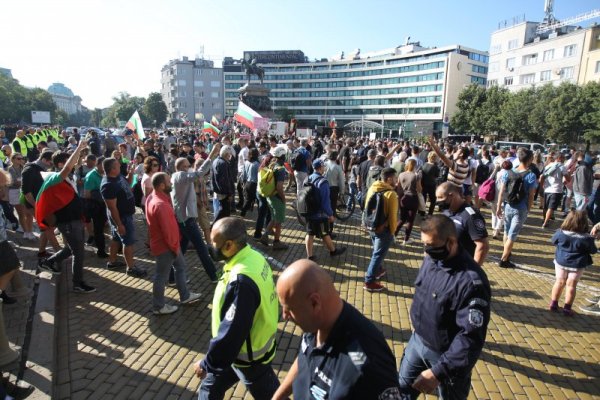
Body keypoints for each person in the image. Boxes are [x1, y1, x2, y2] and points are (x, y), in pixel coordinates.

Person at [273, 259, 401, 400]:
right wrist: (278, 397)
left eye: (289, 309)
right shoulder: (314, 323)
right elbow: (305, 358)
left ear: (315, 303)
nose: (284, 316)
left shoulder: (368, 366)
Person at [398, 215, 491, 399]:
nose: (426, 250)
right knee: (401, 392)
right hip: (417, 343)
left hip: (445, 358)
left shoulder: (471, 283)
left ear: (451, 242)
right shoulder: (431, 260)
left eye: (431, 245)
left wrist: (440, 371)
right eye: (424, 244)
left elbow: (470, 338)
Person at [192, 217, 280, 399]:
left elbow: (232, 332)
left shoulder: (241, 281)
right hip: (236, 354)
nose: (211, 246)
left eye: (214, 242)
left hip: (247, 358)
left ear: (229, 246)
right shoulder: (254, 257)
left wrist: (206, 363)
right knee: (209, 389)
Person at [36, 142, 96, 293]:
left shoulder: (69, 177)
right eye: (71, 160)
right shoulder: (56, 177)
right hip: (68, 222)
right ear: (62, 164)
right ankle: (77, 283)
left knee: (70, 249)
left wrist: (81, 153)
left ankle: (49, 262)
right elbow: (68, 167)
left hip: (75, 220)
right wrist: (78, 148)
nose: (76, 163)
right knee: (78, 253)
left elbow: (72, 166)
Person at [145, 172, 202, 315]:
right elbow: (168, 231)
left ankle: (185, 296)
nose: (171, 183)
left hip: (166, 245)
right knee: (161, 276)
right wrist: (175, 248)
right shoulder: (161, 205)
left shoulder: (152, 197)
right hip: (167, 247)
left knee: (180, 267)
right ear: (162, 185)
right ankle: (158, 306)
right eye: (169, 181)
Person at [171, 150, 219, 283]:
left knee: (181, 248)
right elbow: (198, 174)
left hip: (184, 219)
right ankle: (214, 276)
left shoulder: (180, 176)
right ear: (181, 167)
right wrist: (211, 155)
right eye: (187, 165)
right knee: (202, 248)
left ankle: (171, 277)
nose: (189, 167)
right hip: (186, 220)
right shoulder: (180, 176)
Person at [101, 157, 147, 277]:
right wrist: (119, 224)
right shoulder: (108, 185)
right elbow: (112, 207)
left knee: (116, 238)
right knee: (128, 241)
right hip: (122, 217)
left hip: (124, 216)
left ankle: (112, 261)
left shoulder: (118, 176)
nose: (120, 166)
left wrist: (130, 173)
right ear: (112, 169)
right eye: (118, 165)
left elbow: (126, 181)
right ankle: (131, 268)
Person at [495, 148, 538, 269]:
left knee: (507, 232)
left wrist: (499, 207)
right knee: (512, 235)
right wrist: (528, 209)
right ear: (530, 159)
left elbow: (502, 191)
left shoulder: (508, 172)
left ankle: (506, 255)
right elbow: (531, 195)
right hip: (521, 208)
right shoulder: (531, 175)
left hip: (508, 205)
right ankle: (504, 259)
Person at [549, 210, 597, 316]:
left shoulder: (560, 233)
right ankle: (567, 308)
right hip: (577, 264)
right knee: (571, 286)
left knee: (559, 282)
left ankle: (553, 304)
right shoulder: (587, 238)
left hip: (561, 261)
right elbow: (593, 251)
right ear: (584, 223)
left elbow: (553, 241)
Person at [436, 182, 489, 266]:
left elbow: (482, 245)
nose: (438, 201)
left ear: (451, 195)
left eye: (441, 197)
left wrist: (474, 271)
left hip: (461, 268)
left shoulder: (471, 216)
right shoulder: (446, 211)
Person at [363, 167, 399, 292]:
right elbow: (393, 218)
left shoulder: (373, 186)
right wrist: (393, 232)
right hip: (384, 230)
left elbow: (366, 206)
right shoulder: (391, 194)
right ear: (389, 179)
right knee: (378, 254)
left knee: (376, 250)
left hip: (372, 225)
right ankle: (369, 281)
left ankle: (378, 270)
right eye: (395, 178)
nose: (397, 181)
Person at [304, 159, 347, 260]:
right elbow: (325, 201)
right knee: (324, 233)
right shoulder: (323, 182)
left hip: (308, 211)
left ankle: (310, 255)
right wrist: (330, 214)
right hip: (319, 213)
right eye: (323, 167)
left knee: (310, 233)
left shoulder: (308, 178)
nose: (324, 168)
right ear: (320, 168)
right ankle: (333, 251)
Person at [261, 146, 288, 250]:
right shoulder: (280, 169)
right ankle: (276, 242)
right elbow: (279, 187)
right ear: (282, 156)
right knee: (279, 221)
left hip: (270, 196)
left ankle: (265, 235)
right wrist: (283, 198)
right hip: (277, 197)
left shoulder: (272, 164)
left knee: (273, 218)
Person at [83, 156, 108, 258]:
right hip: (97, 206)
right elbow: (87, 194)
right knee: (98, 228)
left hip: (105, 205)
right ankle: (100, 250)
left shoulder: (105, 173)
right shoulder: (91, 176)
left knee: (102, 226)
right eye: (104, 165)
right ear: (98, 164)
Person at [540, 153, 569, 228]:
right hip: (556, 189)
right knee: (551, 207)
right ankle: (545, 222)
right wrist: (569, 175)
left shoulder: (548, 165)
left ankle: (544, 219)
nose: (564, 160)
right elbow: (568, 178)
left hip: (547, 188)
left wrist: (542, 185)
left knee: (545, 206)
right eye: (563, 158)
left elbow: (542, 177)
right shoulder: (562, 167)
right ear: (559, 158)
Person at [396, 159, 421, 245]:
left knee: (402, 219)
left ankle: (393, 235)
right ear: (415, 166)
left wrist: (400, 198)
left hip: (403, 198)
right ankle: (406, 239)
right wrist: (419, 179)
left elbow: (398, 188)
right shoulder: (415, 176)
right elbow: (420, 189)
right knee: (410, 221)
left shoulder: (401, 174)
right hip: (413, 199)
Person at [211, 145, 235, 223]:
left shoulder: (216, 161)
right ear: (226, 154)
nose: (230, 157)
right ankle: (215, 227)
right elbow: (225, 180)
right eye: (229, 155)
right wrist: (229, 193)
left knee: (223, 211)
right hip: (223, 192)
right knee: (224, 211)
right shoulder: (223, 163)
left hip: (219, 190)